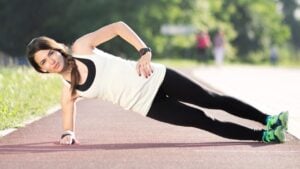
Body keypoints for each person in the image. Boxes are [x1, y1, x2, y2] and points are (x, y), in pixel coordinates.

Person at [26, 21, 288, 145]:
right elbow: (68, 123)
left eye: (50, 53)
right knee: (204, 120)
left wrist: (144, 51)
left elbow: (118, 26)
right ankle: (265, 136)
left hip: (157, 77)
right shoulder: (68, 91)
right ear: (42, 71)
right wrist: (68, 134)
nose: (51, 61)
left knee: (212, 99)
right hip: (148, 106)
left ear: (57, 49)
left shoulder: (82, 47)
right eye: (44, 62)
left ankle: (269, 119)